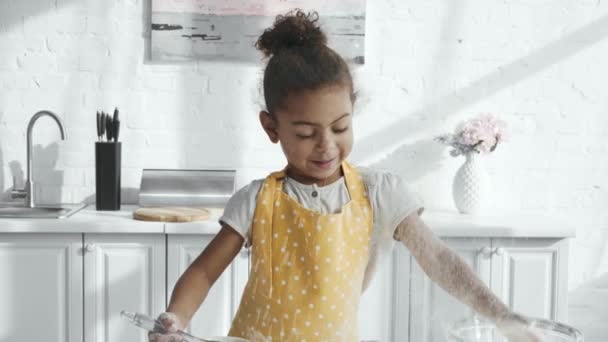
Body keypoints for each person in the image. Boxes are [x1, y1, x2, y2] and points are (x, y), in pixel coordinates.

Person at [150, 9, 541, 342]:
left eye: (340, 127)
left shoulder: (379, 192)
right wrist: (176, 318)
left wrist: (499, 313)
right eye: (305, 134)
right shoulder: (256, 201)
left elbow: (438, 258)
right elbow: (202, 271)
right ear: (272, 128)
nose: (326, 146)